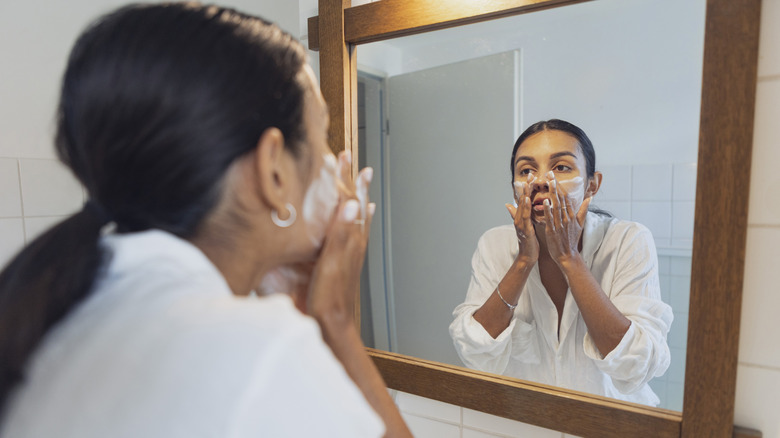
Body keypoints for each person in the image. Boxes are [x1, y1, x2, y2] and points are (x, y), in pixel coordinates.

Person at [0, 4, 411, 437]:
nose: (335, 164)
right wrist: (335, 321)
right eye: (321, 137)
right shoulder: (258, 348)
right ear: (274, 172)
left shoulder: (58, 308)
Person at [449, 119, 673, 406]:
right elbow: (475, 352)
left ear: (592, 185)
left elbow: (637, 365)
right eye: (526, 170)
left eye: (561, 167)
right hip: (531, 425)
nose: (541, 180)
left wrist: (569, 258)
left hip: (614, 426)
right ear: (514, 187)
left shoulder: (627, 240)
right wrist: (523, 261)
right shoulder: (494, 245)